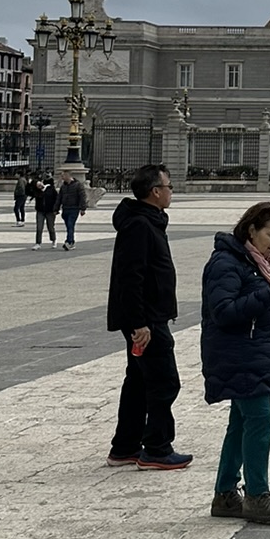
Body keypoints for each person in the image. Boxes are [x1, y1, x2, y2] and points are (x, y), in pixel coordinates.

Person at [203, 201, 270, 525]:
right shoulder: (226, 263)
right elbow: (223, 311)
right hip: (238, 353)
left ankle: (225, 493)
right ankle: (256, 495)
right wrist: (267, 293)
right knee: (260, 419)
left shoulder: (263, 263)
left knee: (241, 422)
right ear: (251, 230)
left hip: (256, 351)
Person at [106, 164, 190, 468]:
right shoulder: (140, 225)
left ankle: (125, 446)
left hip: (148, 315)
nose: (171, 192)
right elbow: (131, 278)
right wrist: (139, 323)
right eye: (168, 187)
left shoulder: (147, 220)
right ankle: (157, 447)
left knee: (139, 381)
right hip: (147, 319)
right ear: (155, 191)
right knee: (164, 381)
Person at [59, 173, 88, 250]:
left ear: (68, 176)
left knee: (70, 224)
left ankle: (69, 242)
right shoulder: (63, 186)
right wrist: (56, 208)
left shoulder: (78, 185)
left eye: (63, 176)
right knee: (69, 226)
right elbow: (59, 197)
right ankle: (71, 241)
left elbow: (82, 196)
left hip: (74, 208)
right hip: (65, 208)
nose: (62, 177)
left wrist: (83, 208)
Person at [31, 173, 60, 248]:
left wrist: (56, 209)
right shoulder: (38, 189)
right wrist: (36, 184)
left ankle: (53, 240)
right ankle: (38, 242)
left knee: (50, 227)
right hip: (40, 210)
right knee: (39, 227)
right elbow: (30, 188)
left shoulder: (52, 190)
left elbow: (57, 200)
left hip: (50, 211)